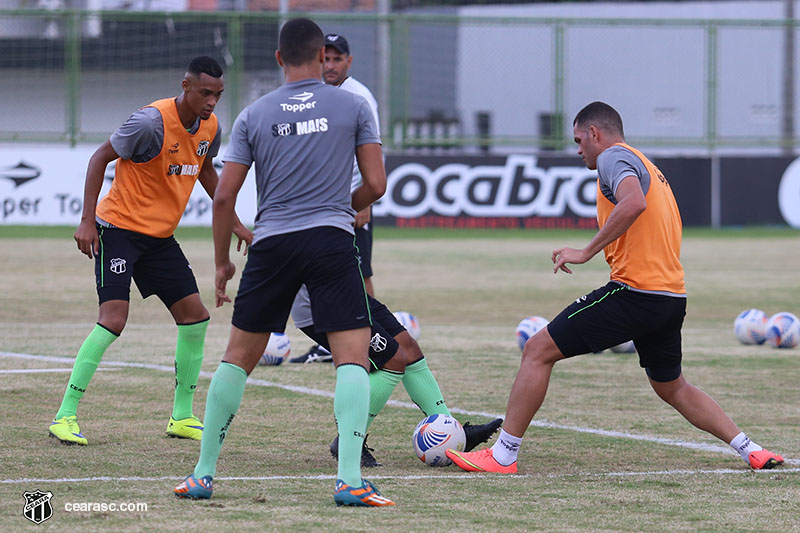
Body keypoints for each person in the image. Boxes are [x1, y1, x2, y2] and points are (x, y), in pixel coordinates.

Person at [446, 102, 784, 474]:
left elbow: (633, 204)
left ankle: (503, 456)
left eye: (578, 140)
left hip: (637, 293)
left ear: (595, 133)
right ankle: (751, 449)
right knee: (672, 388)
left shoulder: (612, 158)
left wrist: (586, 251)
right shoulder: (647, 164)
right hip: (670, 298)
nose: (577, 150)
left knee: (538, 350)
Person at [173, 18, 394, 507]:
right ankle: (350, 481)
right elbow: (376, 185)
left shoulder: (254, 114)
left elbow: (224, 196)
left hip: (272, 244)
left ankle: (202, 475)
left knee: (236, 358)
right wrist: (342, 203)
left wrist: (221, 264)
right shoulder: (354, 104)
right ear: (322, 57)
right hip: (332, 241)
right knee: (352, 359)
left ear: (279, 58)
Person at [48, 56, 252, 446]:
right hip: (118, 230)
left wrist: (236, 221)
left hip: (159, 238)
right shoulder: (150, 122)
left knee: (195, 317)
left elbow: (206, 168)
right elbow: (99, 158)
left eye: (218, 95)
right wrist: (87, 220)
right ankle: (65, 415)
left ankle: (182, 416)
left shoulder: (211, 127)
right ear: (186, 85)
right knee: (114, 318)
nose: (212, 102)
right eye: (205, 93)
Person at [288, 287, 503, 467]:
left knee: (409, 349)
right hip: (322, 301)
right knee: (393, 361)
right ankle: (349, 439)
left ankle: (453, 435)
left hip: (348, 290)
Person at [290, 32, 381, 364]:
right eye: (325, 59)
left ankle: (371, 339)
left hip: (351, 203)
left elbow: (372, 152)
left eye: (336, 59)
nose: (329, 65)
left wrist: (364, 202)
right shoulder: (318, 94)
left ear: (349, 61)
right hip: (322, 206)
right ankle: (331, 342)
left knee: (360, 273)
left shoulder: (359, 97)